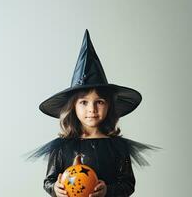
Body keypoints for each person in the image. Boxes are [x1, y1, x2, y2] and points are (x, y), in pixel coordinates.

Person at [27, 29, 159, 197]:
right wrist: (55, 188)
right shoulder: (61, 147)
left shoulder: (117, 147)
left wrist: (107, 191)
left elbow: (128, 184)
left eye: (99, 102)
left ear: (109, 105)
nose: (92, 109)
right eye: (84, 102)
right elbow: (49, 180)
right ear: (73, 107)